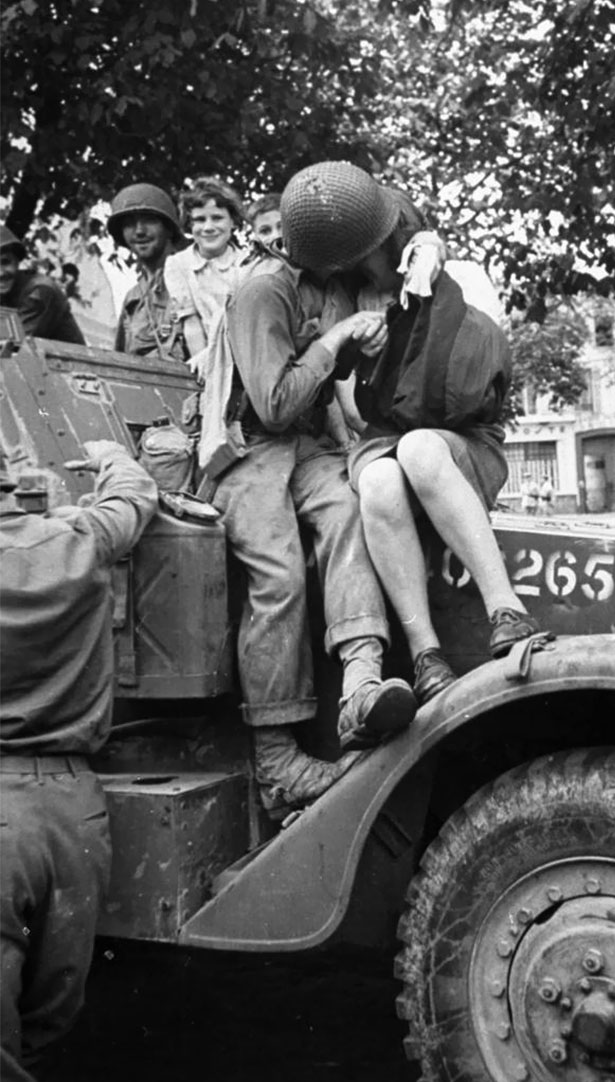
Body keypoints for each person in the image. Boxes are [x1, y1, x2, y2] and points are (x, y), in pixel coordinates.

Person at [195, 192, 425, 816]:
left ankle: (361, 685)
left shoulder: (336, 283)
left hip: (309, 444)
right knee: (279, 576)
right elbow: (271, 403)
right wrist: (338, 341)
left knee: (352, 513)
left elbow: (336, 374)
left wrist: (358, 345)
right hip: (247, 449)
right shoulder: (263, 289)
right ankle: (274, 759)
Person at [281, 161, 541, 706]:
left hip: (463, 443)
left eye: (365, 252)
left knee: (421, 449)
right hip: (382, 442)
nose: (357, 266)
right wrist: (360, 351)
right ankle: (427, 654)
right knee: (377, 480)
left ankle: (506, 610)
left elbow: (480, 387)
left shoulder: (460, 278)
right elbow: (354, 414)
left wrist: (430, 300)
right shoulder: (350, 306)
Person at [0, 441, 158, 1081]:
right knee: (52, 1013)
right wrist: (112, 455)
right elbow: (135, 495)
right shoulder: (82, 540)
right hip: (77, 812)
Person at [163, 177, 249, 370]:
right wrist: (206, 365)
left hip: (246, 355)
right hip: (205, 356)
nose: (208, 227)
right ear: (190, 225)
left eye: (217, 218)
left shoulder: (248, 264)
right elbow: (191, 323)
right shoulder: (178, 265)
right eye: (200, 220)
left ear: (233, 222)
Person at [109, 183, 188, 362]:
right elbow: (121, 362)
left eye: (149, 221)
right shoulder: (133, 299)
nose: (139, 231)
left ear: (168, 227)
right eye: (129, 224)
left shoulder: (191, 278)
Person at [0, 225, 86, 345]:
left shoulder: (39, 290)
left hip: (69, 362)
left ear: (17, 261)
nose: (1, 273)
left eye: (5, 262)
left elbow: (11, 349)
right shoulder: (5, 293)